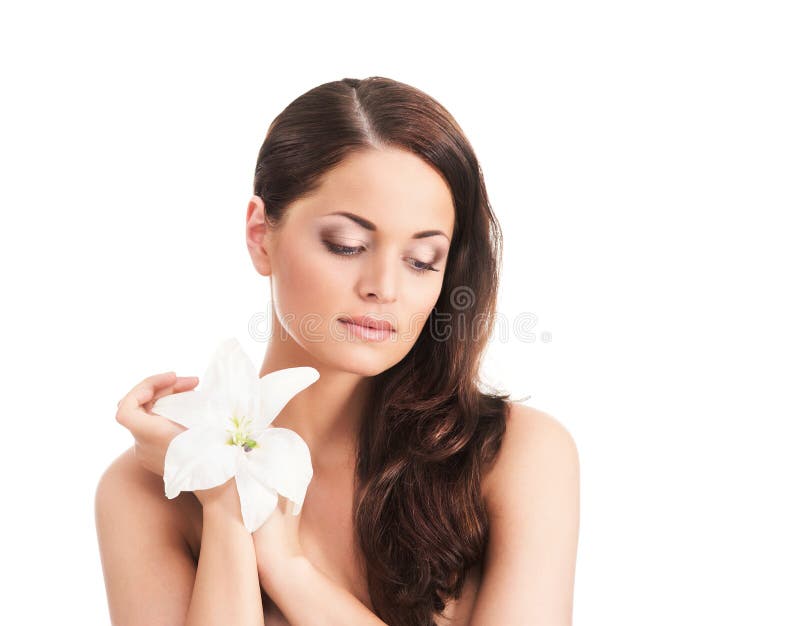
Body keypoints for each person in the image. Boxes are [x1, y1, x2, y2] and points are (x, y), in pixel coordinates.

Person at [95, 76, 580, 626]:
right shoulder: (146, 488)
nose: (385, 287)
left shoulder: (518, 456)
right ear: (260, 235)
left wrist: (285, 565)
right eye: (347, 245)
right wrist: (227, 507)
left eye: (422, 260)